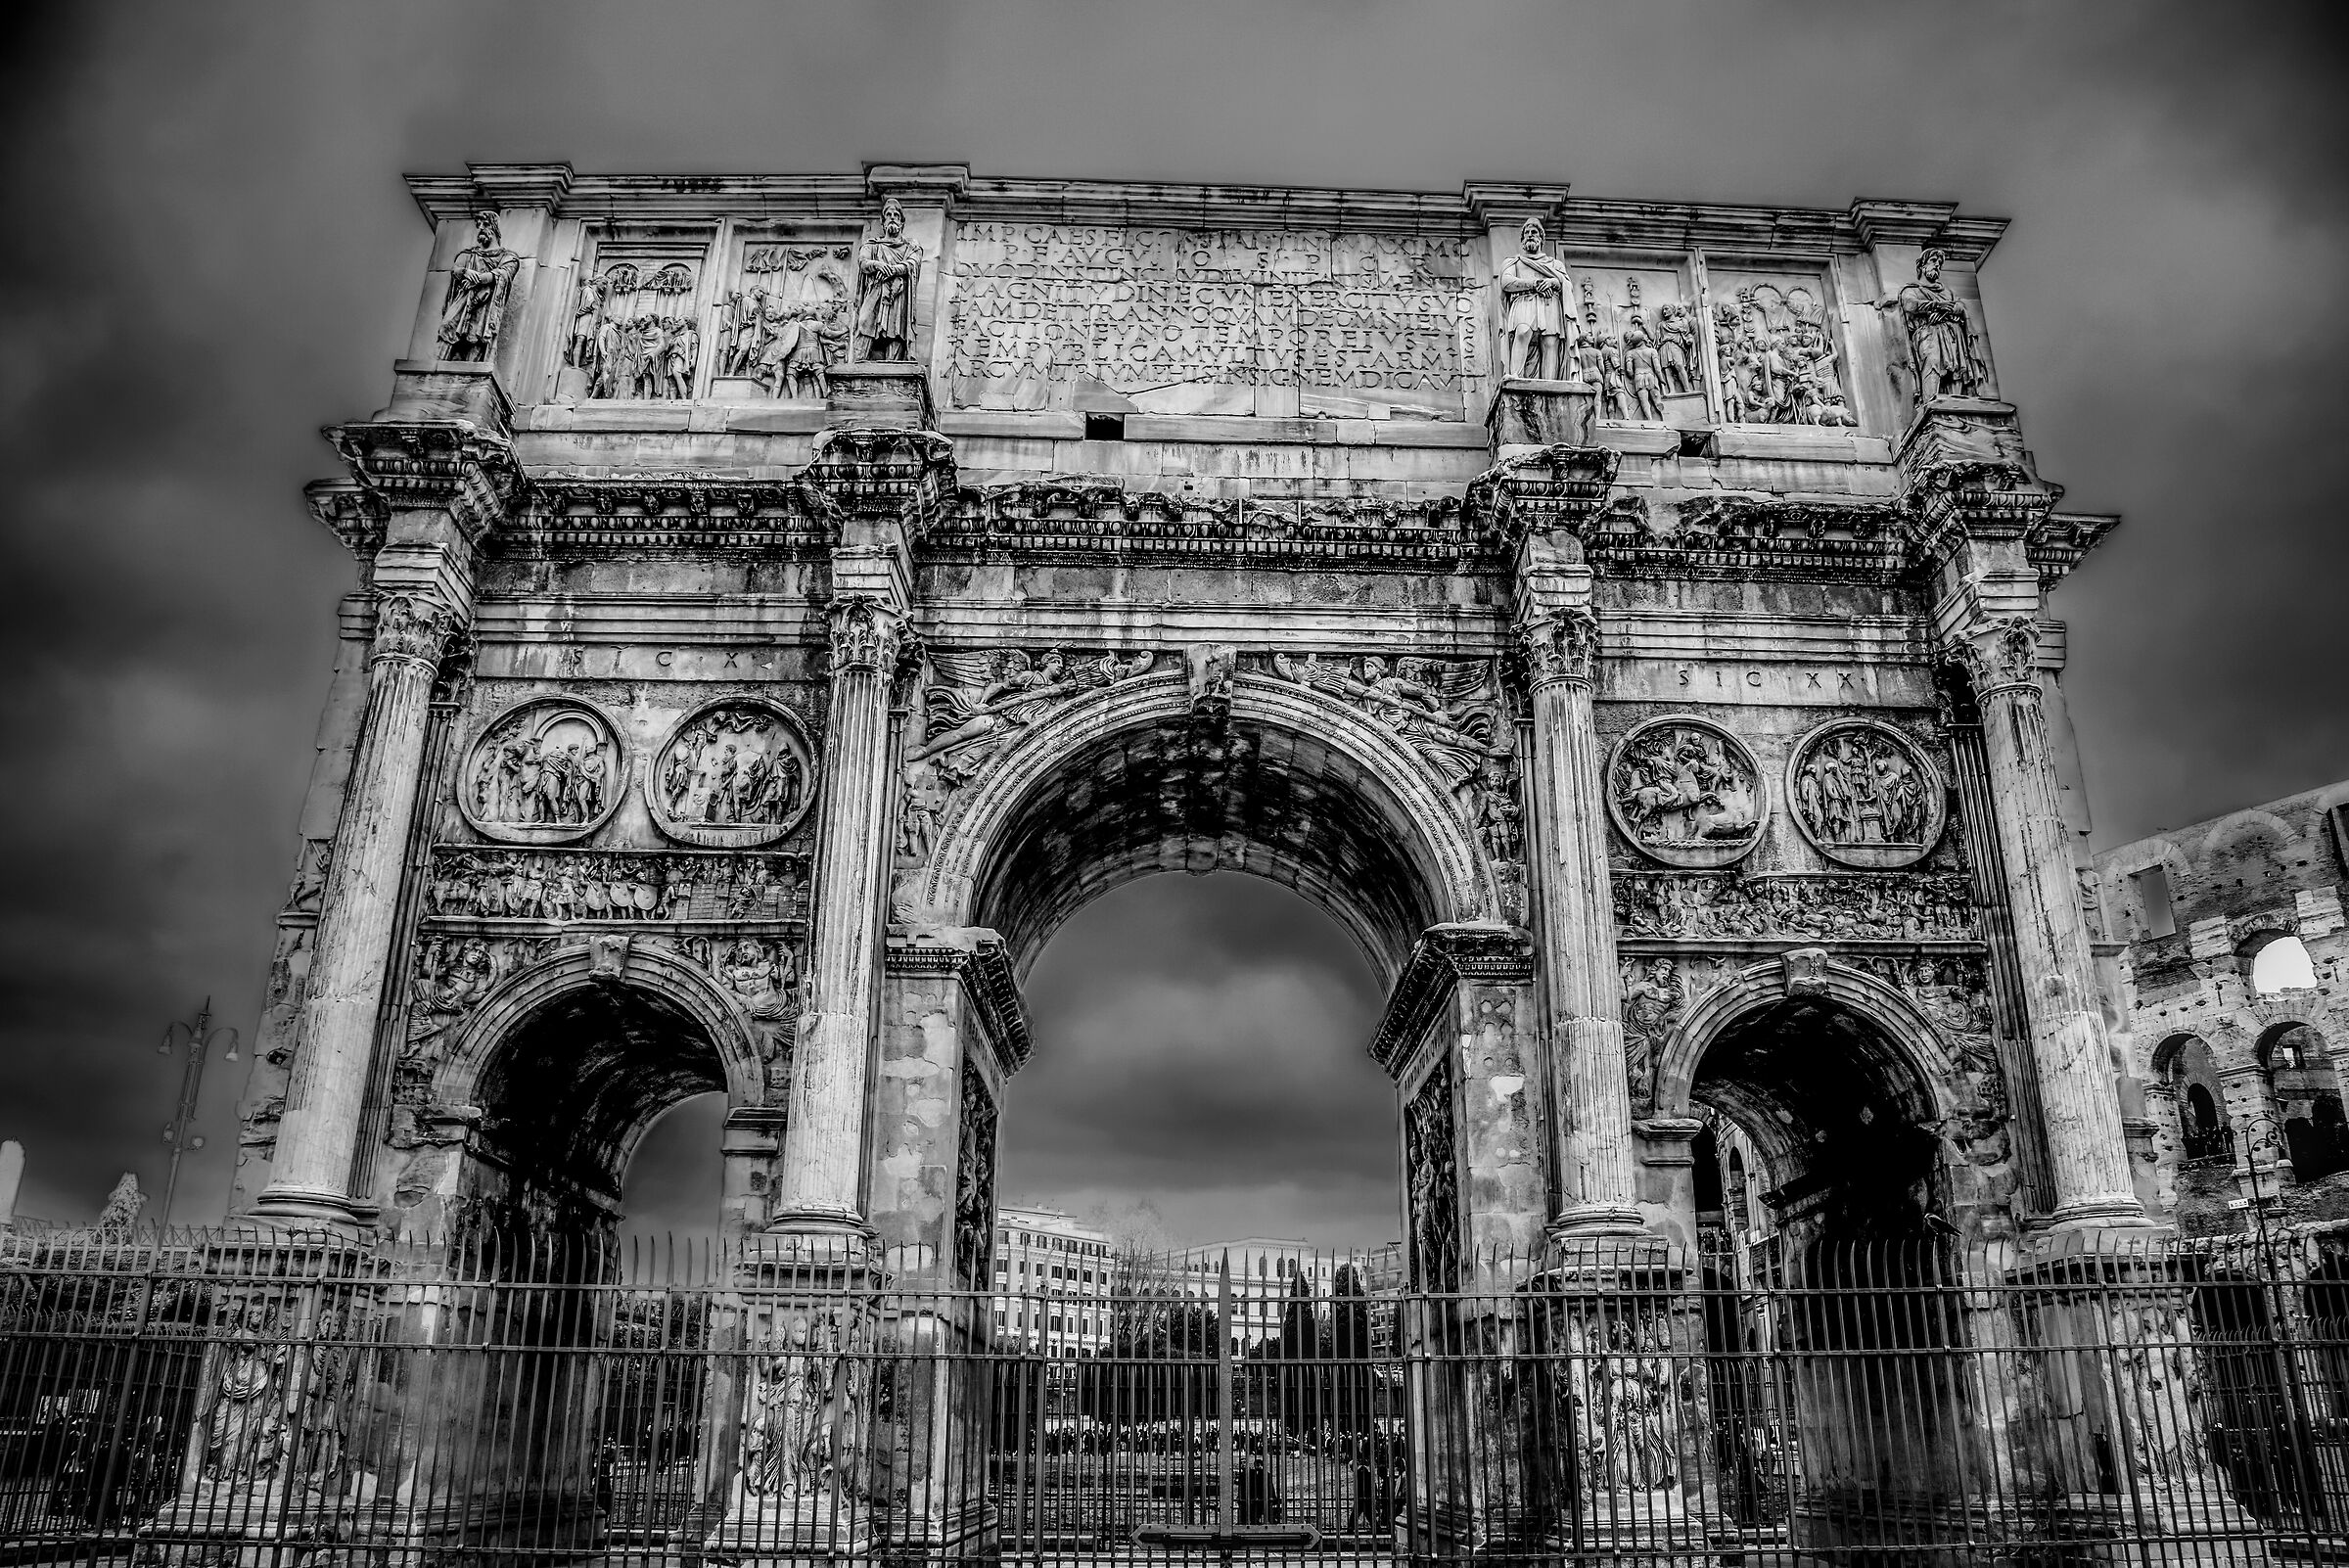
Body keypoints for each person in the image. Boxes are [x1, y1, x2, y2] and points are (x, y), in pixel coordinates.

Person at [1494, 217, 1575, 381]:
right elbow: (1507, 282)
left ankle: (1550, 383)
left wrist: (1553, 282)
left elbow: (1567, 285)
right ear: (1523, 239)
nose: (1530, 235)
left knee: (1550, 343)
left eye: (1534, 232)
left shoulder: (1554, 264)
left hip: (1549, 305)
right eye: (1527, 233)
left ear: (1541, 239)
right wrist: (1535, 284)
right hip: (1524, 302)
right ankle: (1516, 374)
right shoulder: (1514, 262)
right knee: (1522, 333)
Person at [853, 198, 922, 362]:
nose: (892, 217)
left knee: (895, 331)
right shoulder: (872, 245)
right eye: (889, 215)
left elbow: (913, 263)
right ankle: (857, 363)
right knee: (865, 323)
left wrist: (893, 270)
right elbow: (863, 262)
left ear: (902, 223)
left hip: (897, 295)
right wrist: (877, 264)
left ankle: (894, 366)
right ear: (883, 222)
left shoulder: (911, 246)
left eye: (896, 215)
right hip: (875, 291)